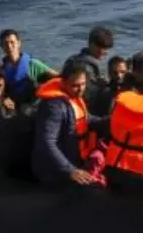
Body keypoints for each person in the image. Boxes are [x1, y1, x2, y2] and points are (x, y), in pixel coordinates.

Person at [33, 60, 103, 188]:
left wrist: (110, 121)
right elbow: (47, 141)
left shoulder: (73, 97)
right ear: (63, 83)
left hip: (73, 160)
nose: (80, 89)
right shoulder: (54, 107)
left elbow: (85, 119)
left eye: (83, 84)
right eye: (75, 85)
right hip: (55, 172)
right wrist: (70, 170)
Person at [0, 29, 55, 106]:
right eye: (5, 43)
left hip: (34, 106)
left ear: (19, 43)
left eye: (12, 42)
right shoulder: (1, 70)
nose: (9, 46)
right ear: (1, 46)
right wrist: (3, 100)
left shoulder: (33, 64)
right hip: (13, 107)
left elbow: (57, 77)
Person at [63, 26, 115, 105]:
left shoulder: (73, 58)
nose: (102, 51)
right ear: (90, 44)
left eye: (105, 48)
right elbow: (87, 94)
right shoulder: (86, 66)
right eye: (99, 47)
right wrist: (104, 86)